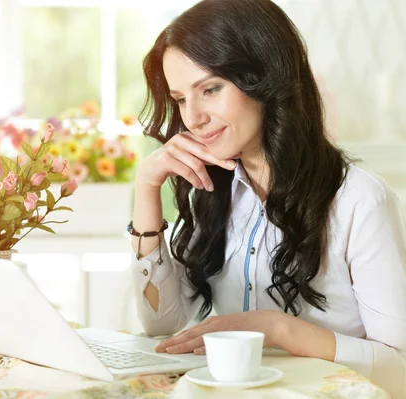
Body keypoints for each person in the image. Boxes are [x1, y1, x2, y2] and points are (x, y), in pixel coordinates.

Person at [129, 0, 406, 396]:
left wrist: (277, 329)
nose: (193, 118)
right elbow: (161, 326)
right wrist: (146, 189)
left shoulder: (359, 200)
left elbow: (399, 369)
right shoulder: (211, 189)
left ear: (263, 79)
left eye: (210, 89)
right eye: (180, 99)